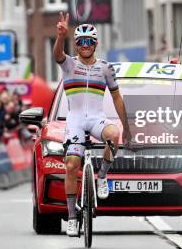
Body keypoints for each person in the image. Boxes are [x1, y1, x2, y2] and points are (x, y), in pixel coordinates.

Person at [53, 13, 131, 237]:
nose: (85, 46)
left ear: (96, 44)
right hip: (75, 120)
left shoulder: (106, 68)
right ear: (76, 45)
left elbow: (116, 97)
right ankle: (71, 216)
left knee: (114, 134)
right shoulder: (69, 64)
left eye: (89, 42)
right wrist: (60, 36)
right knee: (71, 166)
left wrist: (127, 125)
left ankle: (103, 176)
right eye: (80, 42)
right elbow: (57, 54)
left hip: (96, 118)